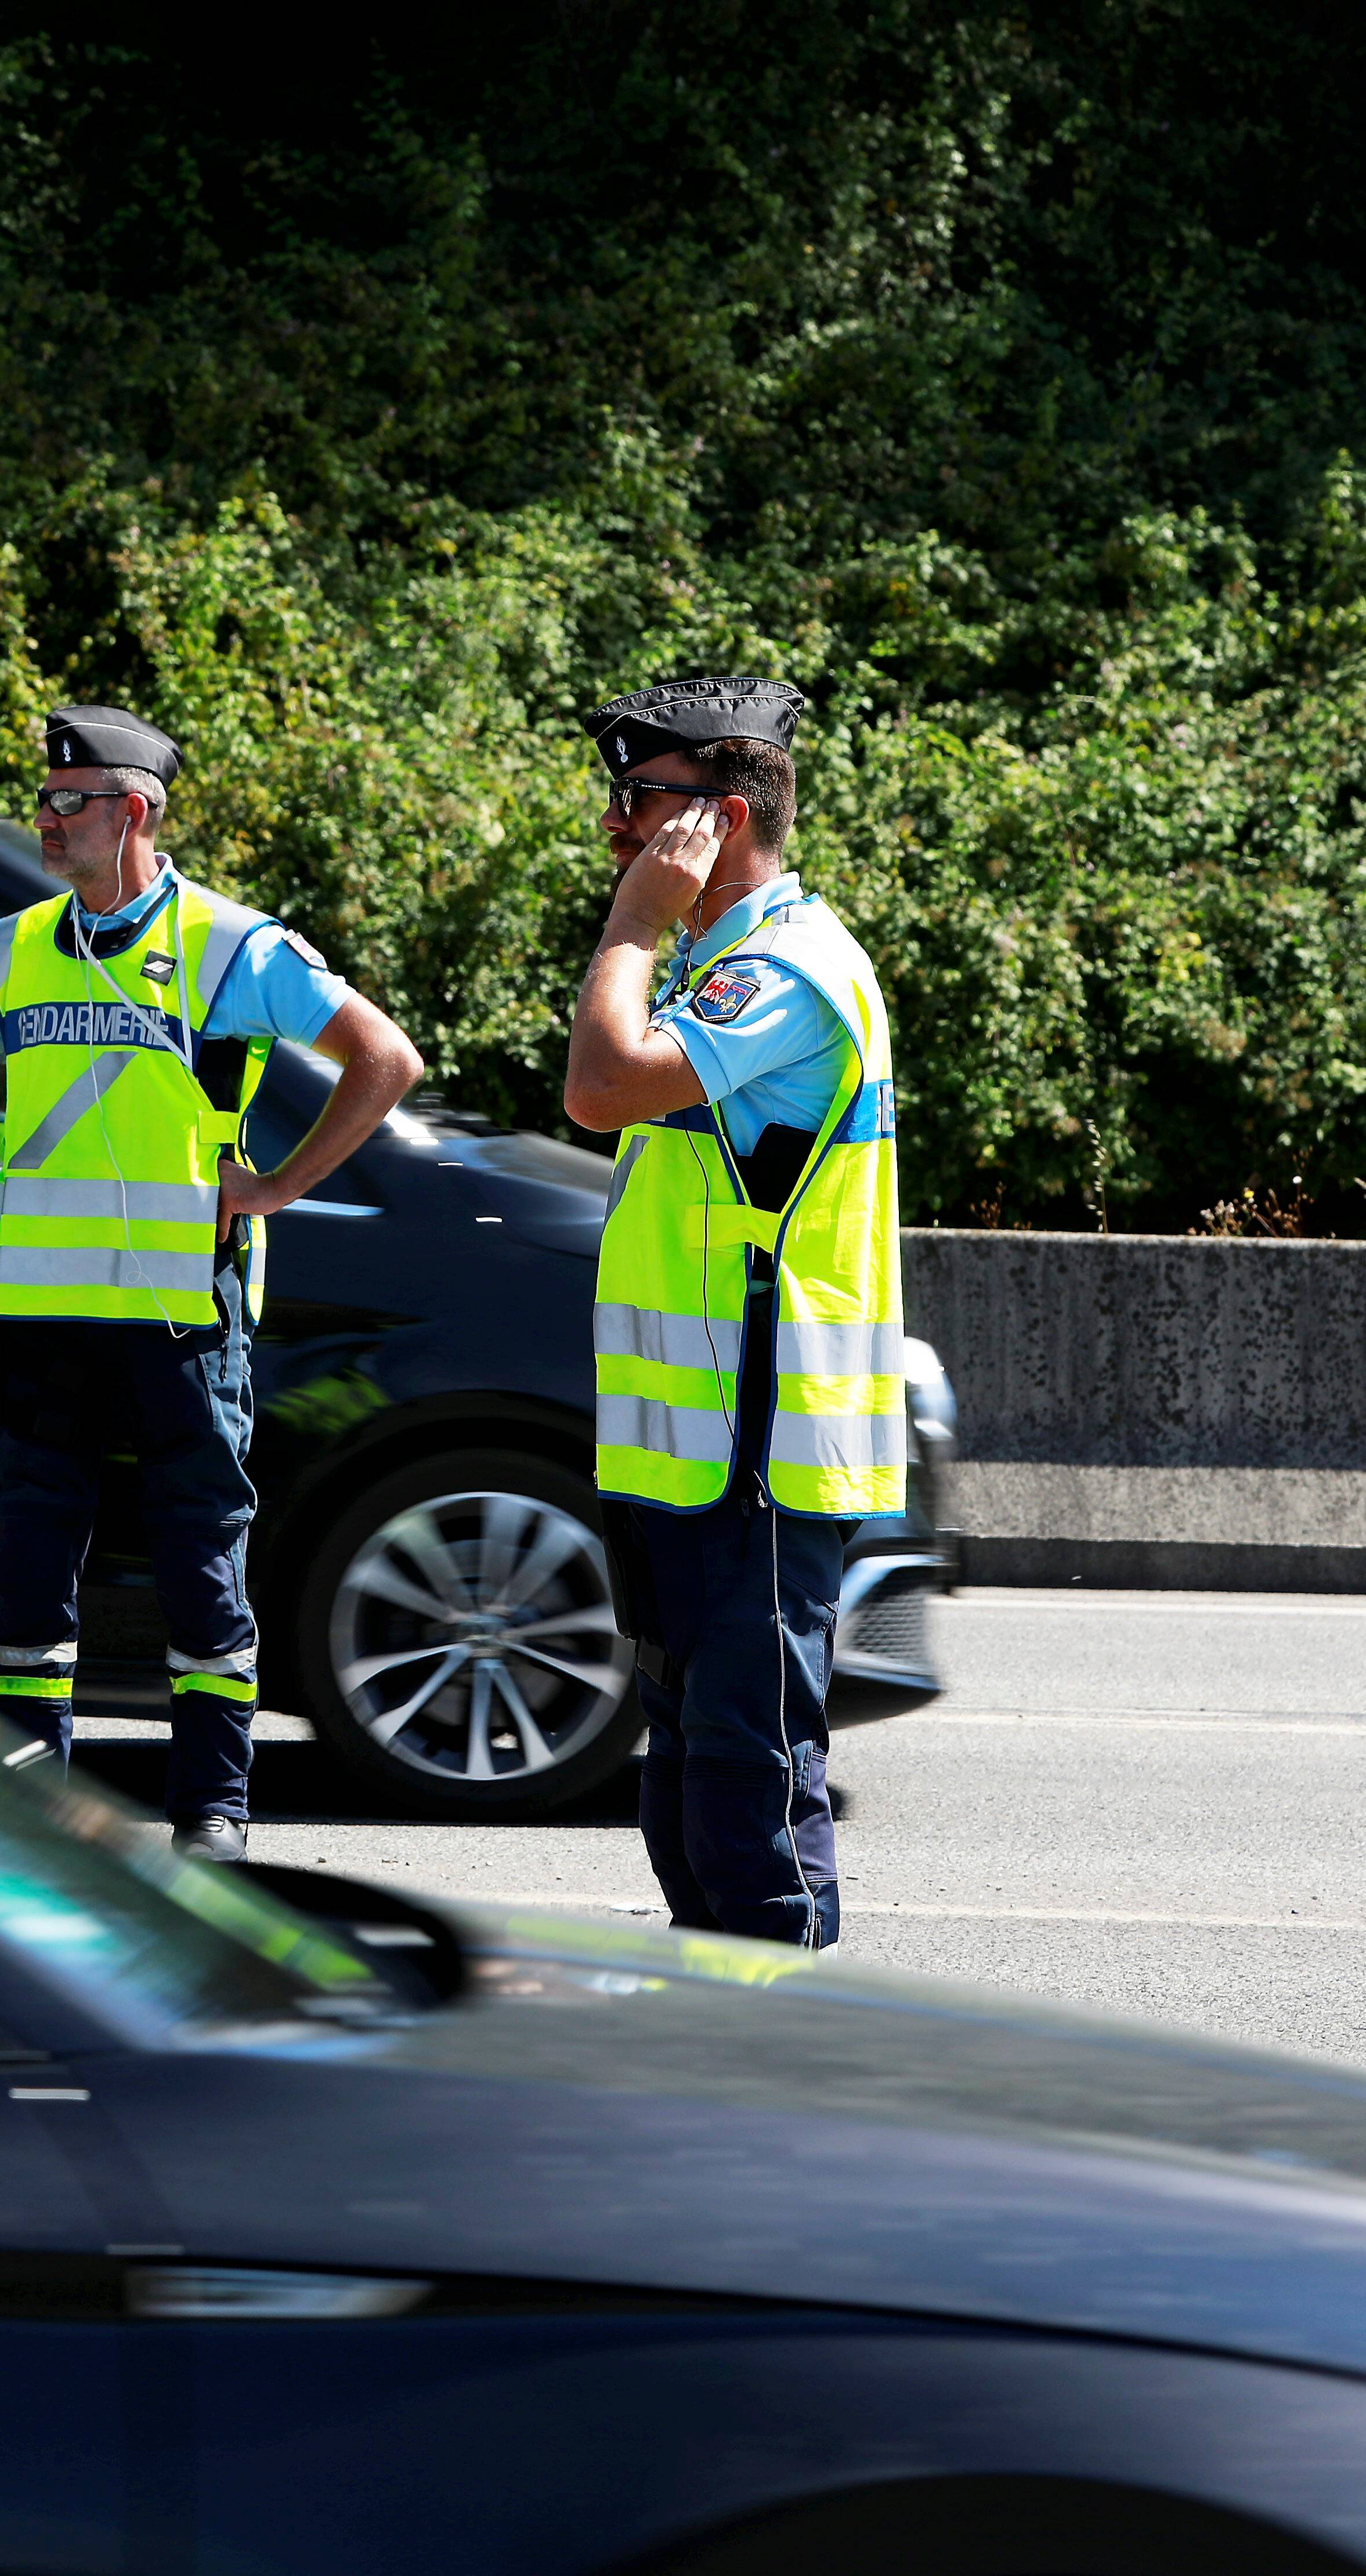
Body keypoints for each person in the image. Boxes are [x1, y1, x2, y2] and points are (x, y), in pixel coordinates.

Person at [0, 706, 422, 1862]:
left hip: (182, 1321)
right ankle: (26, 1821)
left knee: (201, 1572)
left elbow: (385, 1058)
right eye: (42, 798)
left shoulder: (229, 947)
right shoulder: (15, 944)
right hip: (37, 1318)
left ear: (133, 811)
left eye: (69, 800)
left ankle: (212, 1817)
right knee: (29, 1585)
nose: (44, 816)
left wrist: (276, 1186)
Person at [559, 676, 902, 1952]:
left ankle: (789, 2071)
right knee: (687, 1776)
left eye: (638, 798)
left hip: (758, 1446)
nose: (615, 823)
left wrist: (632, 922)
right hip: (690, 1448)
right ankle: (716, 2025)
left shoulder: (784, 970)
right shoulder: (721, 964)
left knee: (748, 1777)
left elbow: (598, 1086)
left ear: (722, 813)